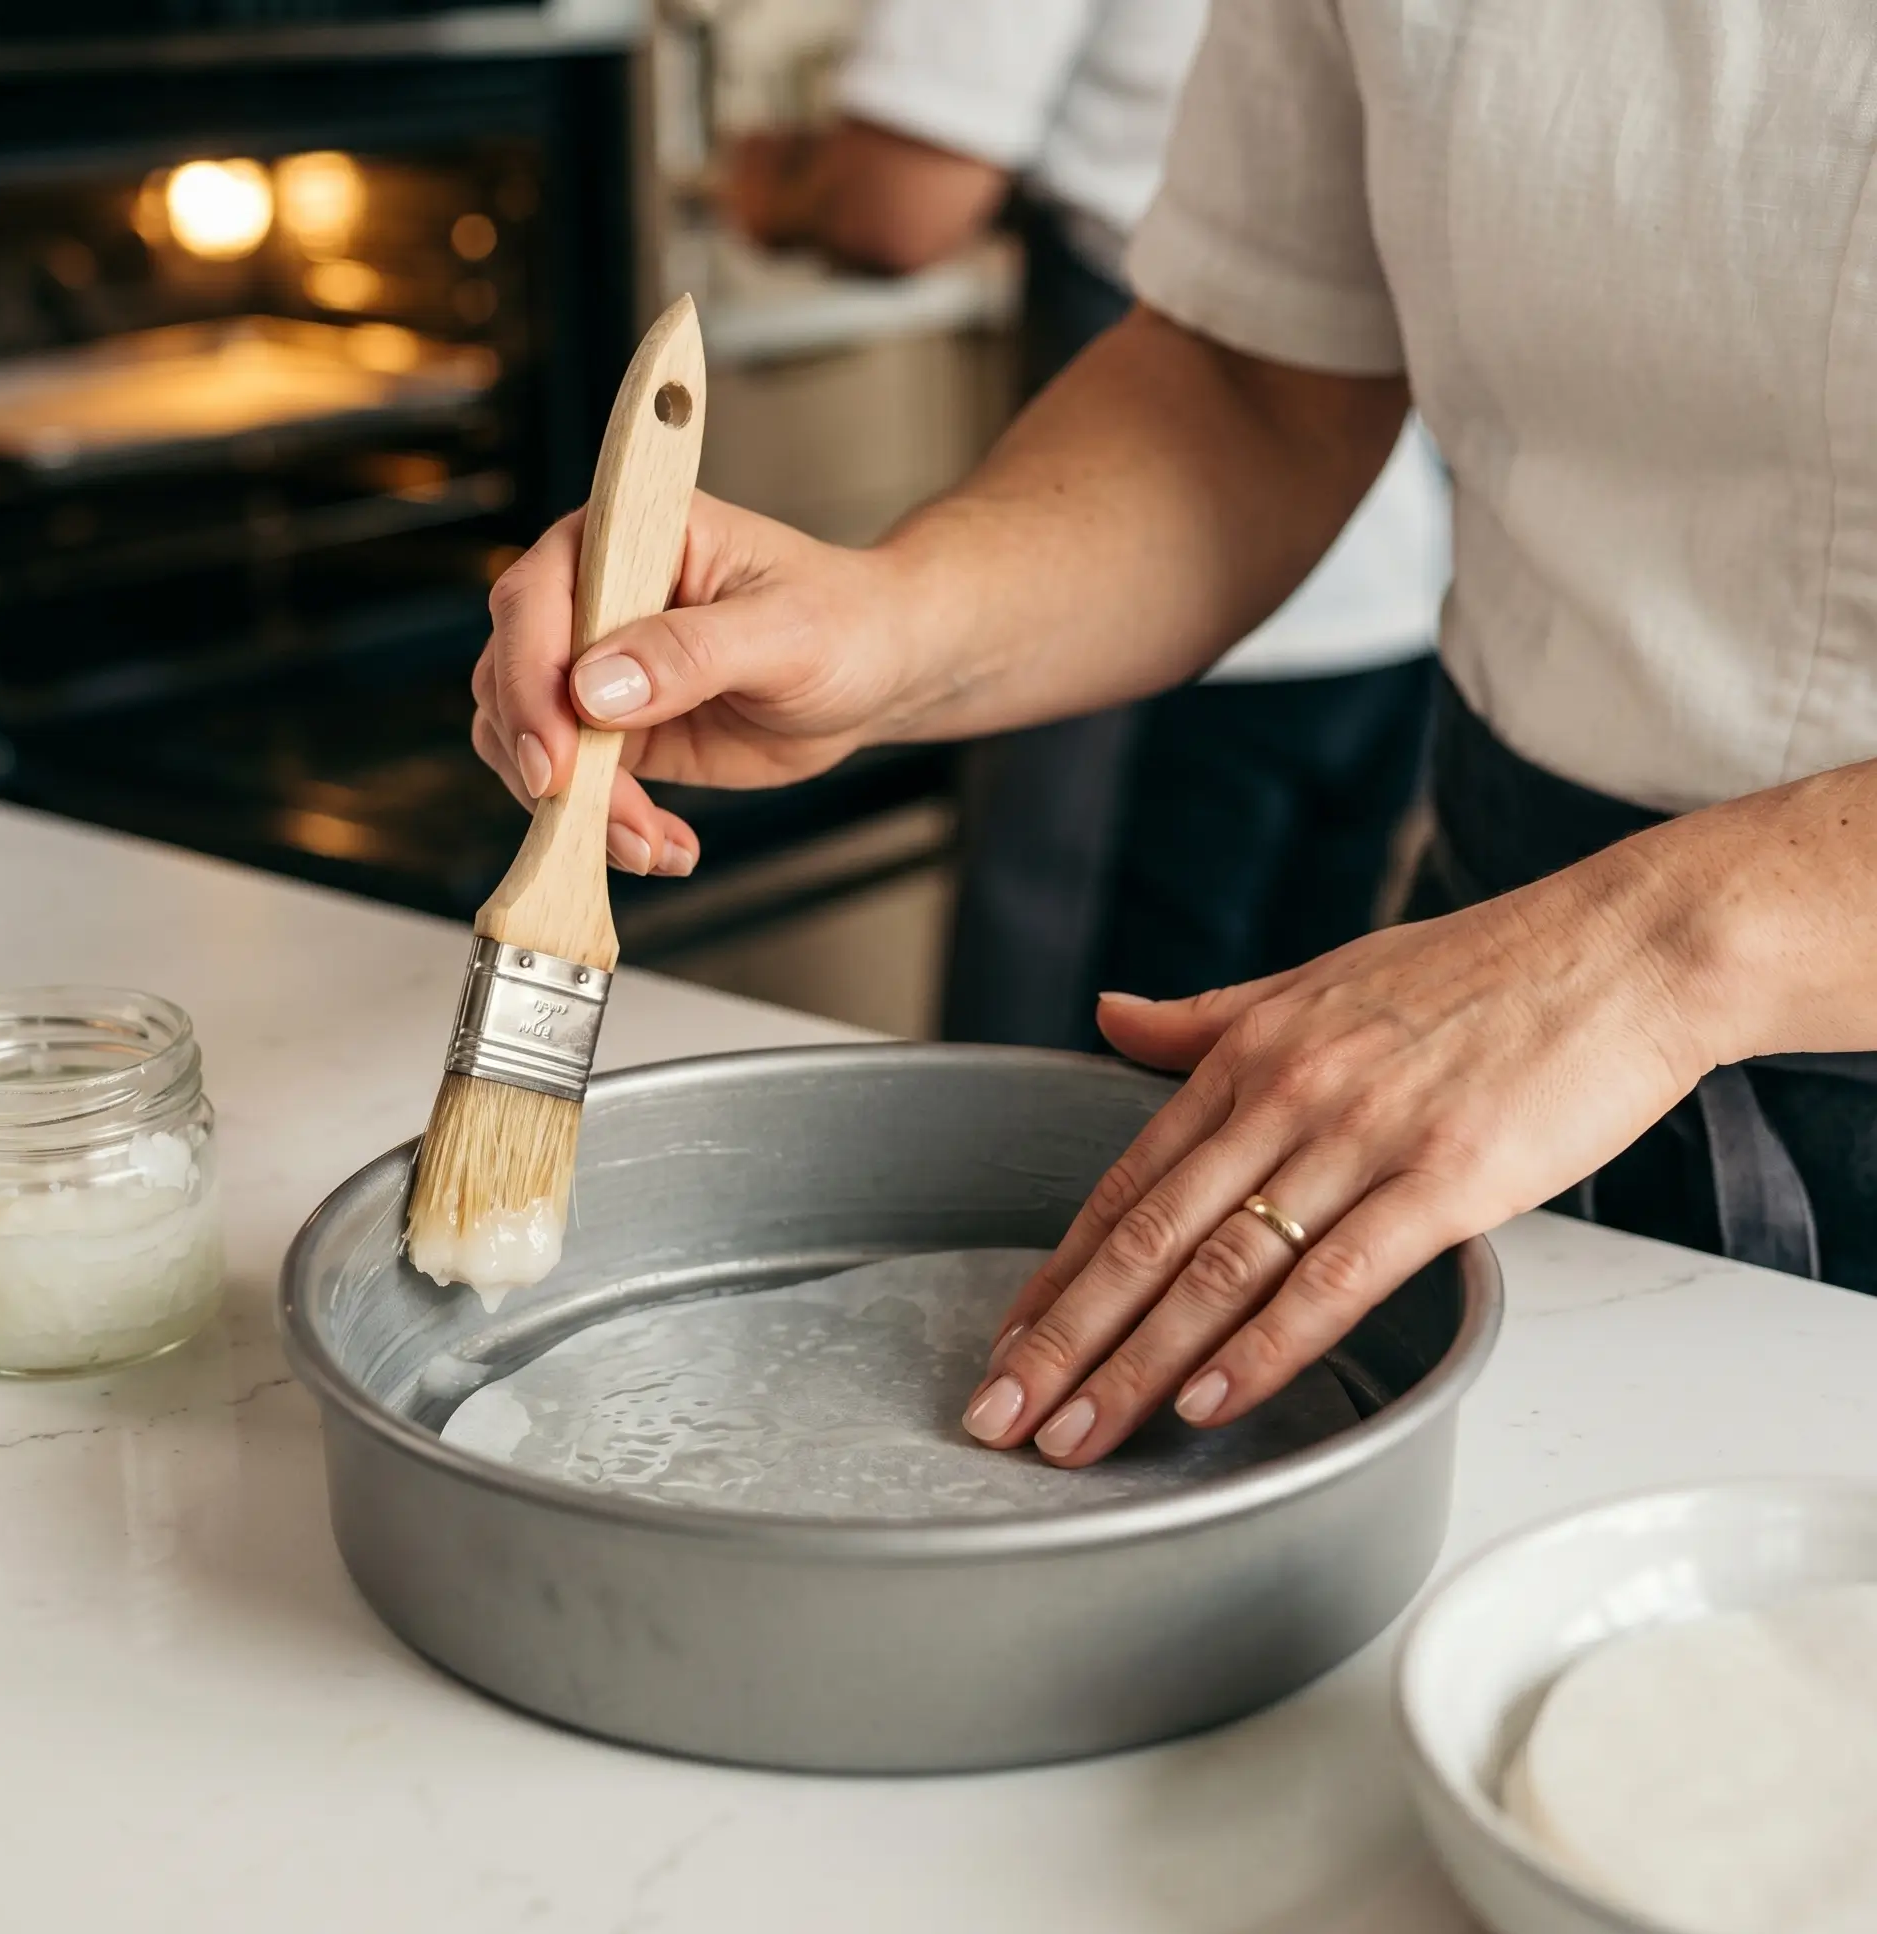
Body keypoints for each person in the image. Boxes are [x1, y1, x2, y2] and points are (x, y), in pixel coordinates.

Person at [474, 0, 1877, 1474]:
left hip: (1586, 983)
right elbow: (1261, 377)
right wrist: (896, 628)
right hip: (1492, 999)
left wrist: (1661, 949)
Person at [720, 0, 1451, 1049]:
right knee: (1257, 1080)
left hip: (1171, 634)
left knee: (1073, 1084)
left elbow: (899, 207)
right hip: (1391, 602)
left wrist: (764, 185)